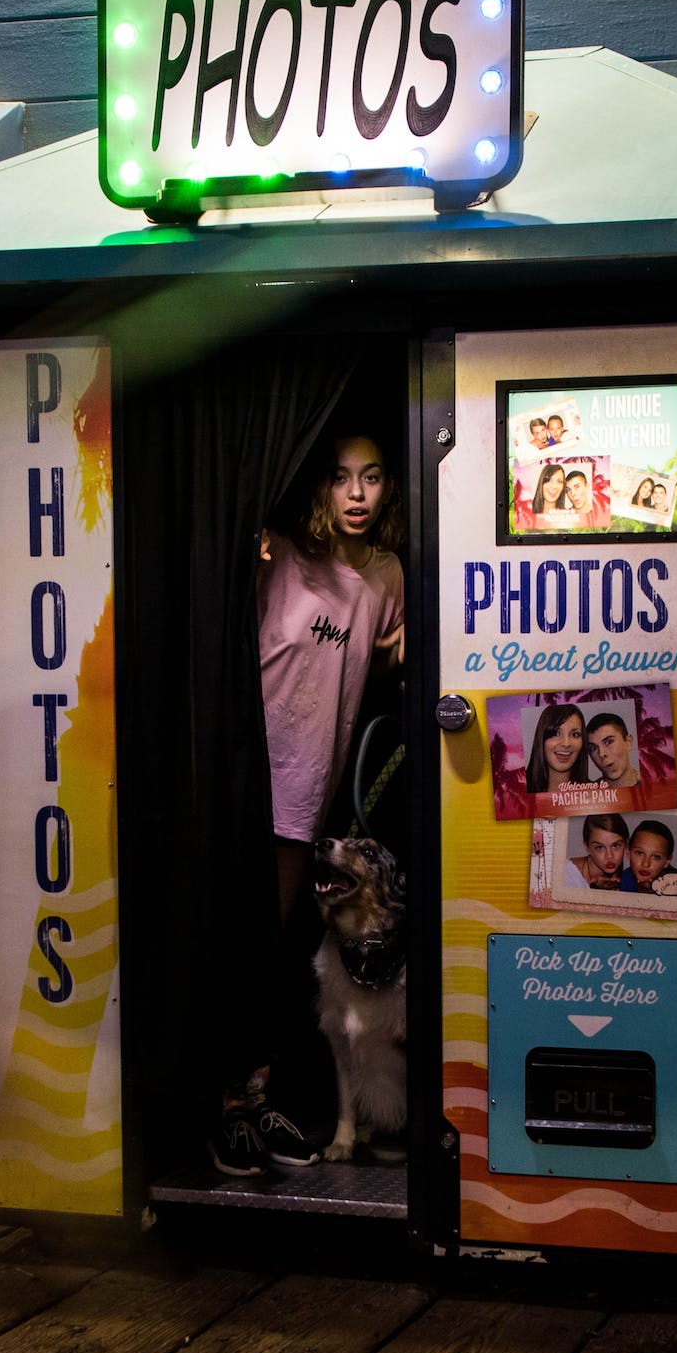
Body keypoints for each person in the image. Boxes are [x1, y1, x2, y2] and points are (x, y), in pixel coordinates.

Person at [214, 432, 405, 1177]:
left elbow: (392, 652)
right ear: (318, 487)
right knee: (239, 949)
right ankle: (230, 1111)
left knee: (278, 956)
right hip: (245, 783)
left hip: (310, 798)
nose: (357, 494)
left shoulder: (386, 573)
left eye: (373, 477)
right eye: (340, 478)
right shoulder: (283, 555)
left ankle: (255, 1098)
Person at [524, 702, 590, 792]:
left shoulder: (596, 794)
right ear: (542, 738)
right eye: (556, 733)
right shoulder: (516, 792)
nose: (566, 743)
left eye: (575, 734)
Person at [567, 813, 629, 888]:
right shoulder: (567, 876)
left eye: (615, 846)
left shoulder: (629, 877)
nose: (609, 856)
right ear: (587, 847)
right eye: (599, 847)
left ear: (626, 844)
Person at [585, 712, 640, 789]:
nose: (601, 754)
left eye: (609, 742)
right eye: (593, 748)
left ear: (628, 742)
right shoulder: (587, 795)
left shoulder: (654, 784)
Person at [627, 819, 675, 891]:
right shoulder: (620, 882)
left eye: (656, 857)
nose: (646, 864)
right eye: (639, 853)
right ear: (628, 853)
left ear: (667, 861)